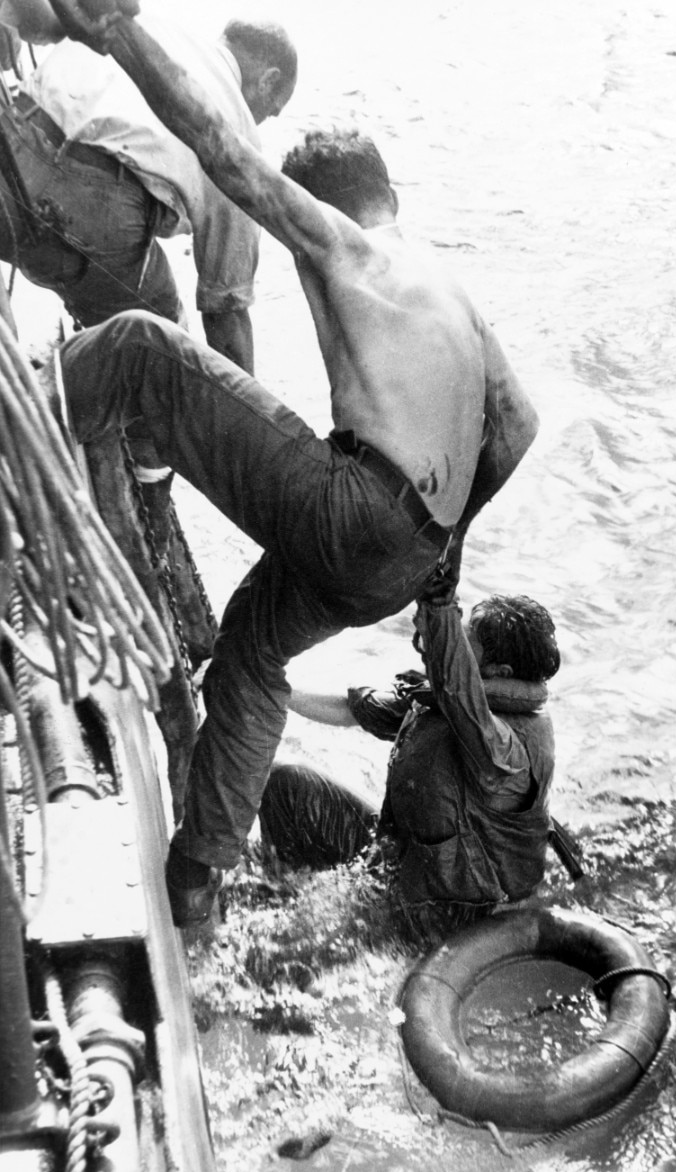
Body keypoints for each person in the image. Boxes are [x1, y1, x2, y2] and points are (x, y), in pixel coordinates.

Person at [55, 2, 541, 927]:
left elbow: (226, 156)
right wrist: (447, 555)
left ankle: (24, 440)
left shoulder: (349, 243)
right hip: (403, 561)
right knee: (249, 651)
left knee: (137, 347)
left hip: (351, 509)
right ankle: (197, 878)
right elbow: (515, 427)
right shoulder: (453, 293)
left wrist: (114, 29)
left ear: (333, 196)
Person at [0, 3, 297, 372]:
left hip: (12, 145)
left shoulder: (151, 27)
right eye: (273, 109)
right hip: (80, 210)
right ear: (269, 80)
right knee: (166, 360)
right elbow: (226, 312)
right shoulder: (240, 137)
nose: (265, 119)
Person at [260, 588, 561, 909]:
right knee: (286, 783)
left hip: (456, 909)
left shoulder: (505, 747)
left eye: (463, 643)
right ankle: (282, 895)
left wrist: (441, 615)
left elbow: (466, 706)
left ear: (500, 673)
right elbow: (353, 710)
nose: (452, 645)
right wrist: (274, 689)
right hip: (402, 865)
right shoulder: (444, 701)